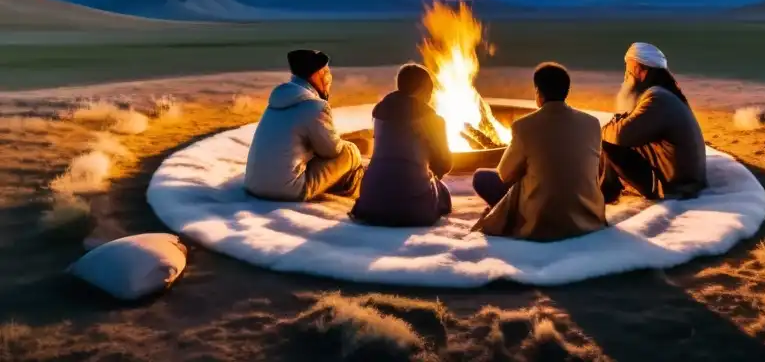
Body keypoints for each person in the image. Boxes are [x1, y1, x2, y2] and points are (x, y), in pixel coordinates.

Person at [471, 62, 607, 242]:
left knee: (481, 178)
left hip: (540, 222)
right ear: (567, 90)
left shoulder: (524, 126)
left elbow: (504, 174)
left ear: (538, 92)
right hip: (588, 217)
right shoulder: (592, 123)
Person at [244, 49, 364, 202]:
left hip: (254, 184)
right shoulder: (314, 106)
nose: (329, 78)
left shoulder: (278, 100)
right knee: (350, 152)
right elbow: (331, 151)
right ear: (315, 75)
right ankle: (354, 197)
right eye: (326, 71)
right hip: (288, 189)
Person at [599, 42, 707, 203]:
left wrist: (606, 129)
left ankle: (604, 195)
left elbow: (621, 135)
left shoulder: (656, 99)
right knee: (616, 138)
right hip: (686, 178)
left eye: (628, 70)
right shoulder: (665, 94)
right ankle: (605, 189)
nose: (625, 77)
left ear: (640, 69)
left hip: (675, 185)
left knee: (608, 143)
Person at [350, 63, 453, 227]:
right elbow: (445, 163)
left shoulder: (379, 114)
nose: (430, 98)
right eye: (430, 92)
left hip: (371, 201)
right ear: (423, 90)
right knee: (443, 193)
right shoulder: (433, 119)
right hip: (413, 209)